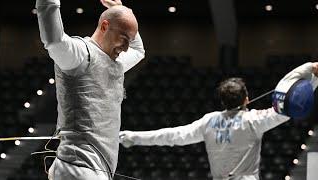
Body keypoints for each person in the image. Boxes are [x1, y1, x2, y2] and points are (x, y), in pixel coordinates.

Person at [119, 62, 318, 180]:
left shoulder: (209, 121)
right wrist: (312, 73)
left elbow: (171, 135)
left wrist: (131, 137)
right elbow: (292, 101)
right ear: (246, 98)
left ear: (223, 101)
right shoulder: (255, 120)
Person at [36, 0, 145, 179]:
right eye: (124, 39)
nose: (126, 48)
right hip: (78, 168)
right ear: (104, 26)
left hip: (93, 170)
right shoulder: (81, 55)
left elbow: (139, 51)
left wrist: (122, 9)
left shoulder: (115, 64)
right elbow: (54, 41)